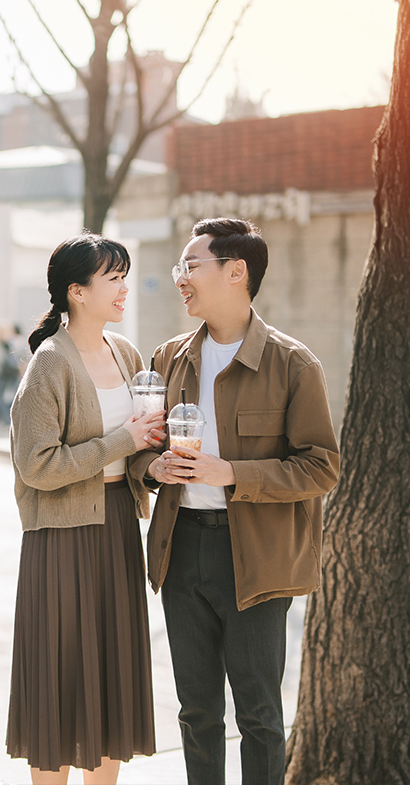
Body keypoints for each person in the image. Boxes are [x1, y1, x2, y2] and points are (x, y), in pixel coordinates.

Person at [130, 218, 340, 785]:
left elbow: (322, 466)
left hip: (256, 558)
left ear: (236, 272)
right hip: (182, 551)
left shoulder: (293, 363)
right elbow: (141, 450)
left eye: (190, 267)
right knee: (197, 713)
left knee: (260, 717)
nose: (181, 279)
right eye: (179, 268)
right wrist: (152, 467)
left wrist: (232, 473)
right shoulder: (169, 356)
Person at [6, 233, 165, 785]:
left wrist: (155, 466)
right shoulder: (49, 365)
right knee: (60, 677)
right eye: (112, 278)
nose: (123, 289)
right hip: (62, 538)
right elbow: (37, 466)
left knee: (111, 674)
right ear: (76, 291)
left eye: (125, 277)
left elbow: (137, 449)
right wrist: (125, 441)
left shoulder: (126, 354)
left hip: (118, 526)